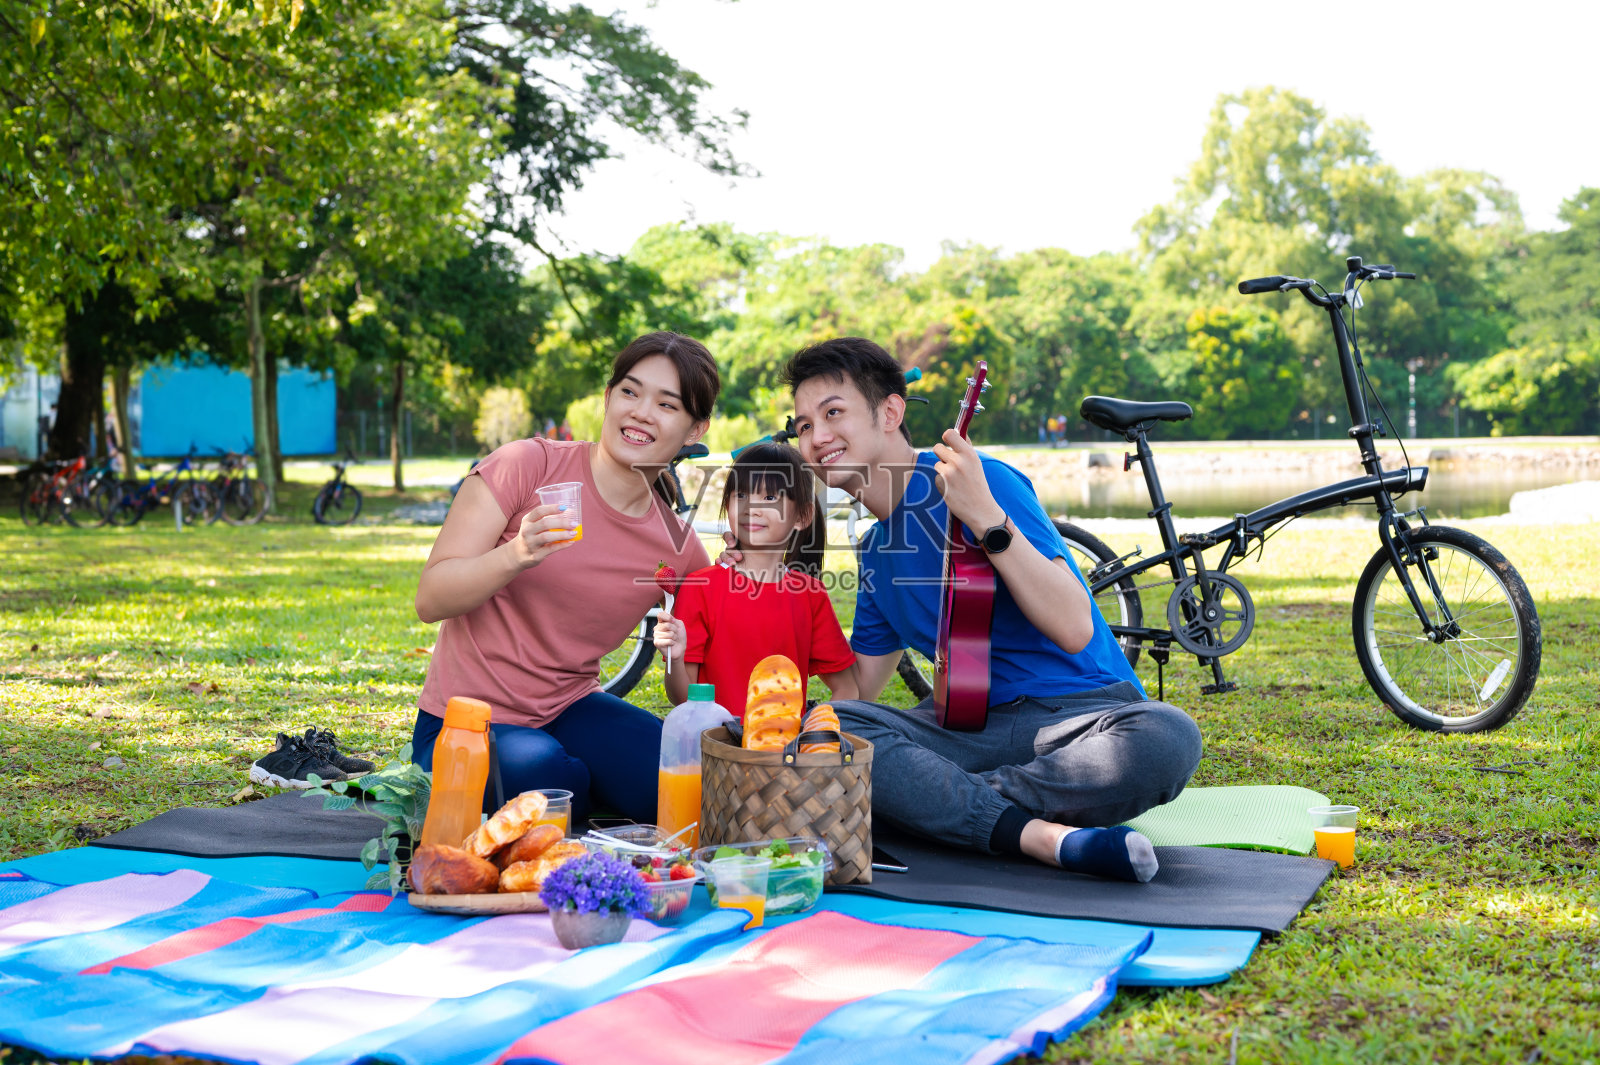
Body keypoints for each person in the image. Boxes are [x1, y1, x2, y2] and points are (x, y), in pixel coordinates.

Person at [777, 337, 1203, 883]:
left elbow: (1074, 628)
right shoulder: (876, 551)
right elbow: (858, 692)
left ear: (890, 412)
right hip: (967, 728)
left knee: (1168, 737)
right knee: (830, 727)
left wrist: (985, 518)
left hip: (1081, 721)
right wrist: (781, 620)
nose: (816, 437)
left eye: (833, 413)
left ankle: (954, 809)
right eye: (803, 425)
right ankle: (1038, 836)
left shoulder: (986, 481)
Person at [412, 332, 720, 825]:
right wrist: (516, 554)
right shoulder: (527, 466)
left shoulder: (676, 546)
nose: (641, 412)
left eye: (667, 404)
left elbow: (715, 650)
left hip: (572, 710)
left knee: (683, 777)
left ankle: (587, 794)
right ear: (608, 397)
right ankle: (581, 793)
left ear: (694, 428)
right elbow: (431, 600)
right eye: (629, 391)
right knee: (550, 776)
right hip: (466, 723)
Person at [652, 441, 857, 717]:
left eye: (771, 498)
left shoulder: (811, 595)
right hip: (718, 750)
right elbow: (681, 697)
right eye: (741, 495)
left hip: (786, 753)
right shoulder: (700, 589)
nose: (752, 507)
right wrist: (675, 660)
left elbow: (847, 689)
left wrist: (813, 731)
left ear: (802, 516)